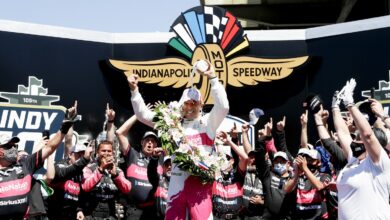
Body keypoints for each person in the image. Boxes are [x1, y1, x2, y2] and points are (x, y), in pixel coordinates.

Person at [127, 60, 229, 219]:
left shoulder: (208, 123)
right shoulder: (172, 124)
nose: (191, 106)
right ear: (181, 104)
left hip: (200, 186)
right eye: (188, 102)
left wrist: (213, 78)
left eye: (195, 102)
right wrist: (134, 91)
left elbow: (223, 107)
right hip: (177, 184)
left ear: (201, 104)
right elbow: (143, 115)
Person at [0, 110, 75, 219]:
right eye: (8, 146)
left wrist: (65, 126)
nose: (13, 149)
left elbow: (49, 147)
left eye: (14, 146)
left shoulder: (25, 165)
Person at [332, 79, 390, 219]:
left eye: (359, 139)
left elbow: (368, 135)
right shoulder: (353, 160)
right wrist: (335, 106)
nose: (356, 141)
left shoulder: (379, 163)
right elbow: (343, 133)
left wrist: (350, 105)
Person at [115, 114, 163, 219]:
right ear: (142, 142)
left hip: (154, 211)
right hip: (134, 212)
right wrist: (138, 114)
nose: (150, 143)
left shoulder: (161, 159)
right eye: (147, 140)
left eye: (153, 141)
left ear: (156, 145)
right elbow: (119, 133)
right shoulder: (132, 155)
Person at [80, 140, 131, 219]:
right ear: (97, 152)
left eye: (109, 151)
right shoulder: (89, 168)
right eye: (103, 151)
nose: (106, 153)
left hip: (110, 214)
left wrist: (115, 176)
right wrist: (100, 170)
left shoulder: (118, 171)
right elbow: (85, 186)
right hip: (92, 213)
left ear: (113, 153)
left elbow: (127, 189)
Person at [48, 142, 93, 220]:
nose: (81, 157)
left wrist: (79, 210)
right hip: (55, 214)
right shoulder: (60, 165)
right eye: (78, 154)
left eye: (83, 155)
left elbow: (80, 194)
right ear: (70, 155)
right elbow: (63, 173)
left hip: (71, 214)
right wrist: (84, 160)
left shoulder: (81, 172)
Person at [285, 148, 331, 220]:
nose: (307, 162)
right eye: (306, 159)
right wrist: (297, 172)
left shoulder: (325, 176)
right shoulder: (298, 176)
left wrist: (305, 168)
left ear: (318, 162)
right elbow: (287, 189)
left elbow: (319, 186)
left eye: (311, 160)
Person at [212, 130, 248, 220]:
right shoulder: (214, 175)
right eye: (221, 159)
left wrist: (229, 141)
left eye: (226, 158)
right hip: (218, 217)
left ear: (231, 161)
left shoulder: (237, 176)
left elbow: (245, 158)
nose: (223, 161)